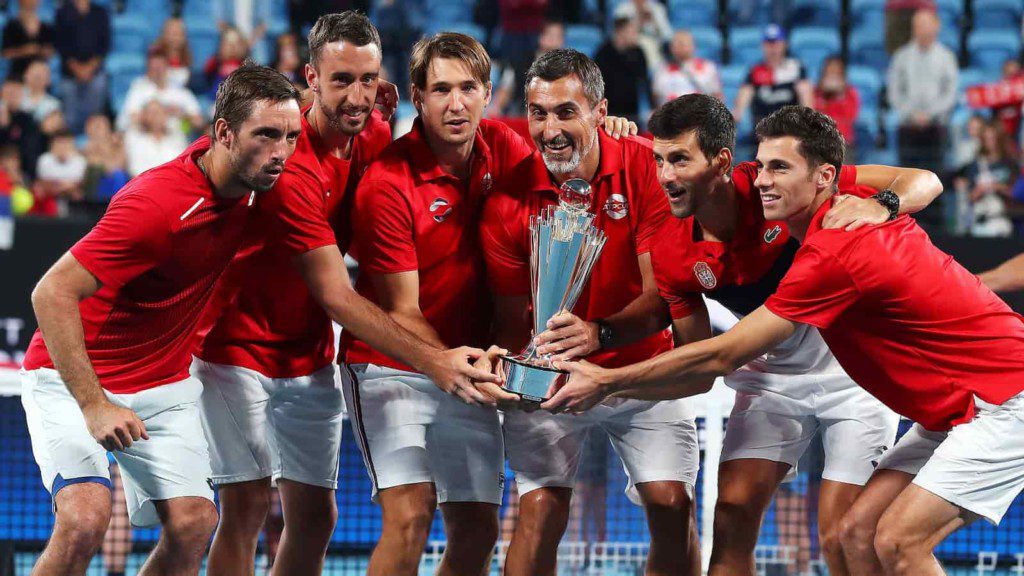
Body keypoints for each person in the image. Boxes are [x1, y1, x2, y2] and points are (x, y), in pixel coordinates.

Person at [544, 104, 1024, 576]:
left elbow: (721, 353)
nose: (763, 179)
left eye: (779, 168)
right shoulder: (717, 238)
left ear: (824, 177)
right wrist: (603, 125)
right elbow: (699, 358)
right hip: (944, 405)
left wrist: (606, 381)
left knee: (894, 540)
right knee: (857, 532)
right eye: (764, 166)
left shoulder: (838, 245)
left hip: (1000, 398)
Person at [192, 14, 495, 576]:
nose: (356, 96)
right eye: (340, 80)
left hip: (306, 353)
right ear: (310, 76)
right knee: (247, 505)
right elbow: (336, 293)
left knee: (316, 518)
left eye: (367, 79)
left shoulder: (374, 132)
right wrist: (437, 362)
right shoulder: (290, 164)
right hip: (235, 348)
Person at [19, 63, 303, 576]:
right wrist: (94, 403)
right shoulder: (156, 205)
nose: (281, 151)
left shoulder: (261, 178)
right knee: (85, 519)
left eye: (290, 137)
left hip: (164, 384)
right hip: (73, 378)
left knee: (195, 522)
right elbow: (51, 292)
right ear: (223, 132)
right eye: (267, 135)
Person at [479, 48, 701, 576]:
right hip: (551, 378)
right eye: (538, 113)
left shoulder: (648, 167)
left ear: (600, 112)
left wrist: (599, 335)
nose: (550, 128)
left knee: (673, 506)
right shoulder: (507, 201)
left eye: (566, 112)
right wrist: (516, 367)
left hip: (638, 369)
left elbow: (662, 297)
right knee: (538, 512)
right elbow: (513, 321)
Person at [340, 32, 536, 576]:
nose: (456, 104)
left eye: (468, 88)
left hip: (471, 363)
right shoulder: (386, 182)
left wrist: (615, 133)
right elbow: (402, 310)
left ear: (488, 92)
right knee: (410, 513)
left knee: (478, 529)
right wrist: (463, 363)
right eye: (441, 89)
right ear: (417, 97)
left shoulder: (506, 146)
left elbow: (572, 148)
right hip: (390, 364)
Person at [887, 9, 957, 175]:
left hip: (937, 126)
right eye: (918, 25)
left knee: (935, 180)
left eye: (926, 25)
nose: (922, 29)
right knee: (907, 179)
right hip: (908, 126)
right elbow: (894, 91)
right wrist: (912, 114)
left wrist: (931, 114)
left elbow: (950, 93)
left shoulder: (946, 57)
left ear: (936, 26)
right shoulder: (901, 56)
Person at [733, 24, 812, 132]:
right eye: (769, 43)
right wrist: (737, 114)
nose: (772, 48)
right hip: (762, 130)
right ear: (762, 46)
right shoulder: (755, 71)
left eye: (776, 43)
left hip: (790, 130)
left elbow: (807, 100)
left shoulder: (796, 68)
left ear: (785, 44)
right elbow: (743, 97)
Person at [953, 118, 1017, 238]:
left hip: (1005, 221)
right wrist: (980, 189)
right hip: (980, 222)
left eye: (993, 138)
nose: (990, 142)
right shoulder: (975, 165)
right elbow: (969, 197)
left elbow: (1016, 193)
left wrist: (996, 186)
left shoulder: (1010, 164)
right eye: (986, 139)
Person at [54, 0, 111, 134]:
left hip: (95, 72)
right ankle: (70, 135)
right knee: (68, 91)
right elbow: (60, 44)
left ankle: (94, 134)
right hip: (69, 72)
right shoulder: (62, 12)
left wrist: (90, 68)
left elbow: (105, 45)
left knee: (99, 84)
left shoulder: (100, 13)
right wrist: (77, 69)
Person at [117, 47, 203, 134]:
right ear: (148, 68)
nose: (158, 72)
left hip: (177, 140)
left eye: (160, 67)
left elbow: (199, 122)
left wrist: (183, 114)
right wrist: (156, 113)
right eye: (154, 68)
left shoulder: (181, 92)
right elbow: (129, 119)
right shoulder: (139, 88)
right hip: (146, 138)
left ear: (167, 67)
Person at [491, 20, 564, 117]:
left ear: (562, 41)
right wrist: (496, 108)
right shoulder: (521, 61)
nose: (553, 40)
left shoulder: (567, 68)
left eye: (557, 36)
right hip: (522, 111)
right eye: (550, 35)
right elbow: (506, 87)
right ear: (541, 37)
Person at [595, 16, 653, 124]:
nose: (636, 35)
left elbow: (645, 81)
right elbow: (596, 83)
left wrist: (652, 107)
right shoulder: (603, 53)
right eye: (632, 31)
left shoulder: (638, 52)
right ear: (620, 32)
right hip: (609, 111)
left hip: (632, 113)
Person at [654, 30, 724, 107]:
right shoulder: (662, 69)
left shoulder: (708, 68)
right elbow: (657, 96)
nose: (679, 47)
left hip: (698, 114)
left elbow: (717, 95)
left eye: (682, 44)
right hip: (671, 114)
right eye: (675, 44)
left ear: (693, 46)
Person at [125, 100, 189, 177]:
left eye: (159, 112)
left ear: (166, 115)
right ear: (144, 117)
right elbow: (134, 171)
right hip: (146, 184)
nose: (156, 116)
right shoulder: (135, 138)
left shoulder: (177, 137)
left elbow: (185, 165)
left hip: (175, 182)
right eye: (151, 113)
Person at [813, 56, 859, 162]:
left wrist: (839, 96)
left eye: (836, 73)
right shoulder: (815, 93)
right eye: (829, 72)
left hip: (844, 143)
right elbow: (812, 118)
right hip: (818, 143)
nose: (832, 77)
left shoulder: (850, 93)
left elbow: (851, 116)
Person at [34, 129, 86, 214]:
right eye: (59, 143)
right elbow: (45, 185)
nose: (63, 147)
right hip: (50, 199)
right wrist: (67, 186)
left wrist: (58, 185)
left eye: (66, 143)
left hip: (73, 201)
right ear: (52, 144)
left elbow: (79, 184)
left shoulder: (80, 161)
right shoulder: (45, 159)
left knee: (78, 195)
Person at [1, 0, 55, 81]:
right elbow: (5, 53)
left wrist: (43, 51)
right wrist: (24, 51)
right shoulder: (12, 26)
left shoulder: (45, 27)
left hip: (39, 76)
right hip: (18, 75)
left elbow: (51, 51)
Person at [151, 18, 193, 90]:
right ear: (164, 34)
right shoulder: (155, 56)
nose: (175, 38)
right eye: (172, 34)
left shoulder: (188, 59)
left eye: (179, 34)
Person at [20, 58, 61, 123]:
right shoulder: (13, 95)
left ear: (49, 80)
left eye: (41, 74)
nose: (37, 76)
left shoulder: (53, 105)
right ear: (25, 75)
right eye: (34, 73)